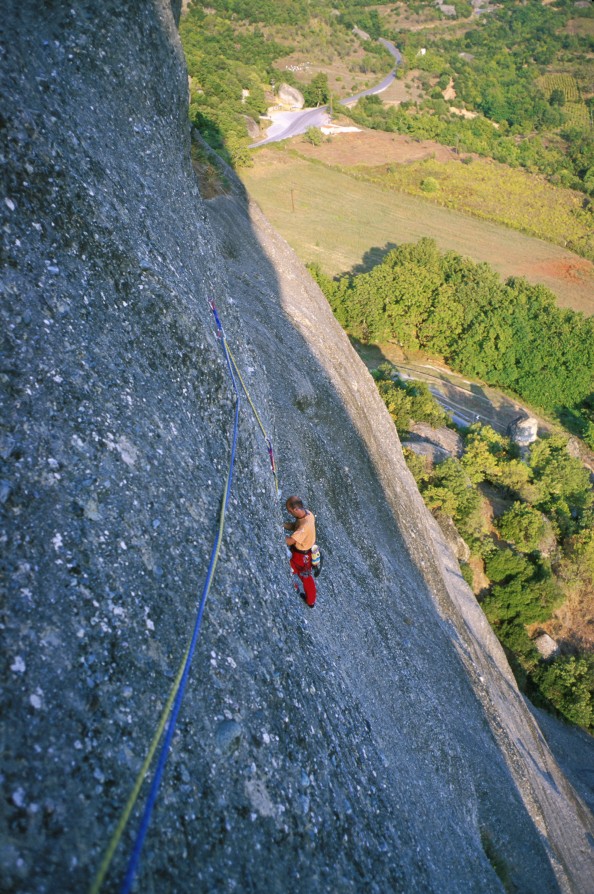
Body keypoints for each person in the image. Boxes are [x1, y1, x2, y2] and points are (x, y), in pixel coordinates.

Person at [284, 495, 317, 607]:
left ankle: (309, 600)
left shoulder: (304, 527)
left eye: (289, 510)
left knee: (290, 570)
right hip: (305, 552)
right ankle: (310, 600)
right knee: (305, 577)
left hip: (301, 557)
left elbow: (290, 541)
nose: (288, 512)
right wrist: (282, 525)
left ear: (295, 509)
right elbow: (295, 526)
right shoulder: (308, 514)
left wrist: (276, 533)